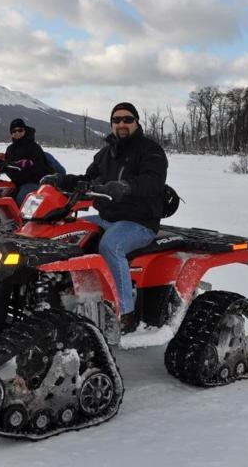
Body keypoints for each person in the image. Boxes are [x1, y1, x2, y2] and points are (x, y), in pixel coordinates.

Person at [42, 102, 168, 334]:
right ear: (111, 124)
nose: (122, 124)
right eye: (117, 120)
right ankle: (68, 294)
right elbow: (87, 179)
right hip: (108, 217)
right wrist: (62, 180)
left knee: (110, 245)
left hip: (139, 221)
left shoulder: (150, 150)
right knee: (68, 232)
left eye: (127, 119)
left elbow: (153, 181)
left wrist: (125, 187)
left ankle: (124, 312)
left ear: (136, 122)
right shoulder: (105, 153)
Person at [0, 118, 55, 204]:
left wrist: (25, 165)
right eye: (14, 131)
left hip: (34, 182)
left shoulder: (33, 147)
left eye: (20, 130)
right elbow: (7, 164)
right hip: (17, 182)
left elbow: (39, 167)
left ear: (25, 131)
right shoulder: (10, 149)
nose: (17, 133)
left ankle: (23, 217)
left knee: (21, 198)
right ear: (11, 133)